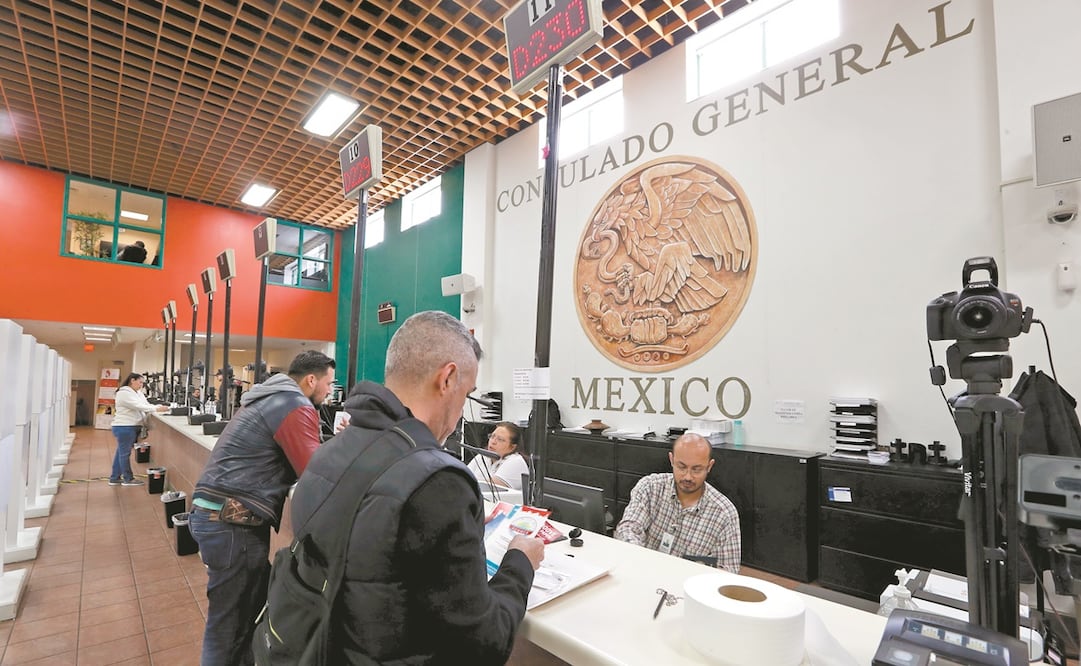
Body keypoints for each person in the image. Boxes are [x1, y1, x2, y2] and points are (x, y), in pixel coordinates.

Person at [289, 311, 544, 664]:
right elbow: (484, 645)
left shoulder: (329, 451)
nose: (459, 416)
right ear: (448, 379)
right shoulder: (439, 482)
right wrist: (520, 561)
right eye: (467, 394)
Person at [189, 350, 336, 666]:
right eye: (329, 383)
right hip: (232, 524)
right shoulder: (295, 405)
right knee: (228, 628)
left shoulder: (267, 399)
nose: (330, 391)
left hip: (214, 515)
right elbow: (313, 472)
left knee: (248, 613)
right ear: (311, 380)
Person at [614, 432, 742, 573]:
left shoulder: (724, 514)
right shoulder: (650, 487)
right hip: (643, 572)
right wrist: (641, 558)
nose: (688, 476)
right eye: (681, 467)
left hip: (688, 586)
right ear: (671, 460)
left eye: (696, 469)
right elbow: (628, 528)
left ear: (709, 466)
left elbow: (728, 572)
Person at [109, 372, 169, 486]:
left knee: (121, 453)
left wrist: (158, 407)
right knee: (124, 454)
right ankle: (128, 479)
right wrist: (157, 409)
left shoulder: (138, 393)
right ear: (132, 380)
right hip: (124, 427)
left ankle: (114, 477)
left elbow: (145, 404)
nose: (141, 385)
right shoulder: (123, 393)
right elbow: (139, 406)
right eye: (140, 382)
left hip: (131, 426)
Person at [467, 421, 530, 490]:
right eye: (492, 436)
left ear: (512, 447)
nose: (493, 442)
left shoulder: (516, 461)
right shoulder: (482, 456)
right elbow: (462, 477)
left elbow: (488, 488)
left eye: (500, 439)